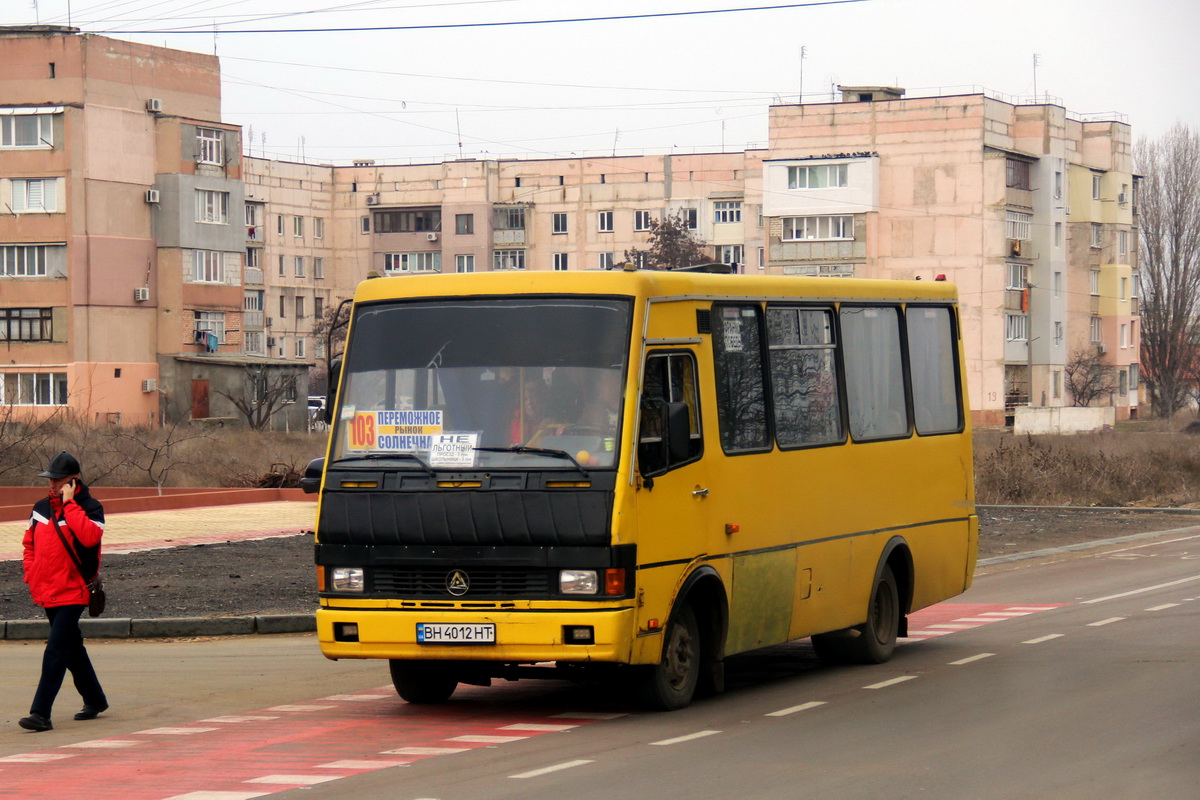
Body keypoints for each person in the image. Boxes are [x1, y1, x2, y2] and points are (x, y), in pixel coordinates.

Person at [19, 451, 109, 732]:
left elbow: (90, 537)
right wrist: (31, 574)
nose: (52, 485)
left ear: (73, 480)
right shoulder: (40, 507)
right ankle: (95, 699)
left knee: (56, 649)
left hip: (73, 590)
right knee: (72, 649)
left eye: (58, 481)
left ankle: (40, 713)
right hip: (46, 587)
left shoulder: (90, 507)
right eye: (51, 480)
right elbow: (29, 544)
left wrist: (70, 506)